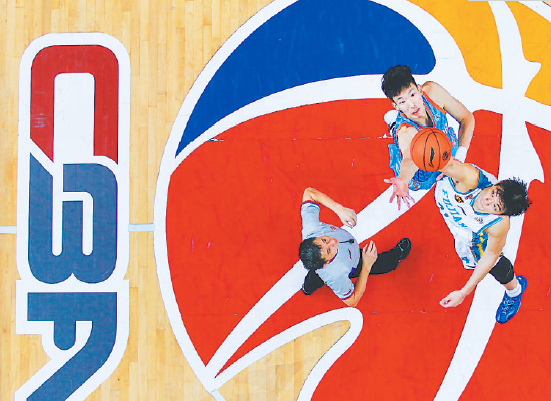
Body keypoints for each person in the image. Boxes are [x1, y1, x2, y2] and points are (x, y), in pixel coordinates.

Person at [435, 157, 531, 323]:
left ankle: (515, 291)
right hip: (458, 225)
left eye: (495, 206)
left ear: (502, 214)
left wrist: (463, 292)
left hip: (472, 237)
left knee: (494, 263)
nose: (487, 200)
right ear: (497, 184)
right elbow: (434, 160)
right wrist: (404, 178)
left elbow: (490, 255)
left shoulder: (498, 225)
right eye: (493, 193)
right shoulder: (470, 177)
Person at [381, 65, 475, 209]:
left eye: (412, 95)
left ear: (420, 89)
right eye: (402, 102)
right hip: (422, 172)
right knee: (403, 137)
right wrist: (403, 180)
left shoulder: (433, 93)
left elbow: (466, 118)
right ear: (396, 106)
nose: (412, 105)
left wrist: (460, 158)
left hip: (443, 145)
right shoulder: (406, 132)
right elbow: (409, 158)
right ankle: (394, 125)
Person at [298, 187, 411, 307]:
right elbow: (352, 301)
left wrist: (338, 209)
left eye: (324, 240)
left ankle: (307, 288)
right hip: (354, 262)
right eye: (329, 250)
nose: (332, 241)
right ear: (326, 263)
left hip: (331, 260)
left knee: (313, 278)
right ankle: (396, 257)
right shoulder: (336, 275)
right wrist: (366, 265)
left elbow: (309, 193)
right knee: (382, 263)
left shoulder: (312, 229)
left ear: (313, 238)